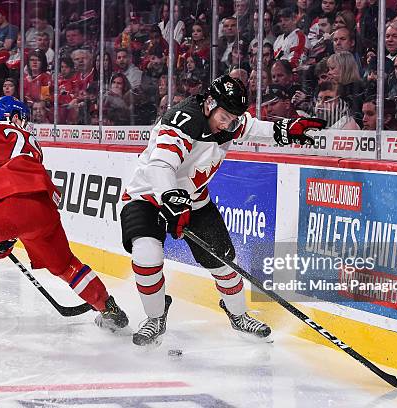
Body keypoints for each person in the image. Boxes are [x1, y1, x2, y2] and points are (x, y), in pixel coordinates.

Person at [120, 75, 326, 346]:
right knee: (147, 255)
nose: (228, 124)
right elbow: (160, 166)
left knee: (224, 262)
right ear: (208, 103)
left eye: (234, 118)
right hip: (146, 196)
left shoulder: (228, 121)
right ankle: (155, 317)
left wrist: (286, 130)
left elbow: (251, 128)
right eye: (225, 116)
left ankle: (238, 314)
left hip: (193, 200)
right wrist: (170, 198)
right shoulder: (181, 121)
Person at [0, 96, 129, 338]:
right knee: (66, 264)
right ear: (16, 117)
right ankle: (109, 309)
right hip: (45, 210)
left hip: (4, 206)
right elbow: (24, 197)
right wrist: (8, 234)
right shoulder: (33, 144)